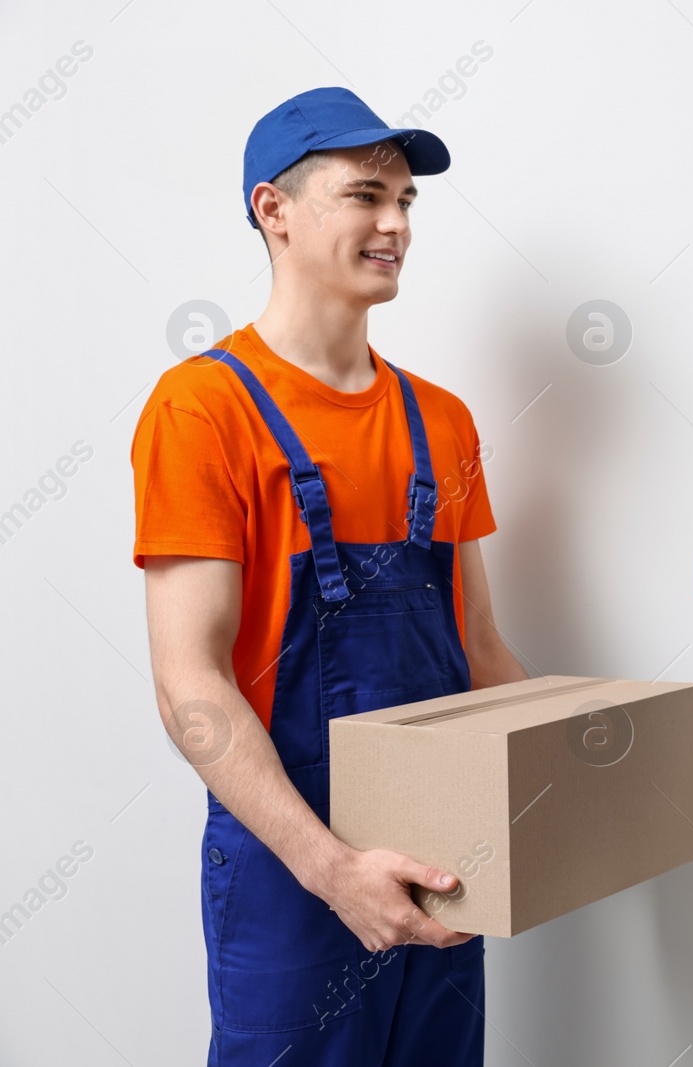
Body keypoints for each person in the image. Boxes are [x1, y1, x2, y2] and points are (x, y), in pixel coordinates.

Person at [132, 87, 528, 1062]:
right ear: (274, 208)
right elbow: (190, 683)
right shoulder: (201, 411)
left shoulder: (443, 422)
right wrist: (334, 869)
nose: (395, 223)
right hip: (289, 873)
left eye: (405, 201)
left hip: (440, 860)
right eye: (366, 195)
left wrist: (573, 780)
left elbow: (478, 648)